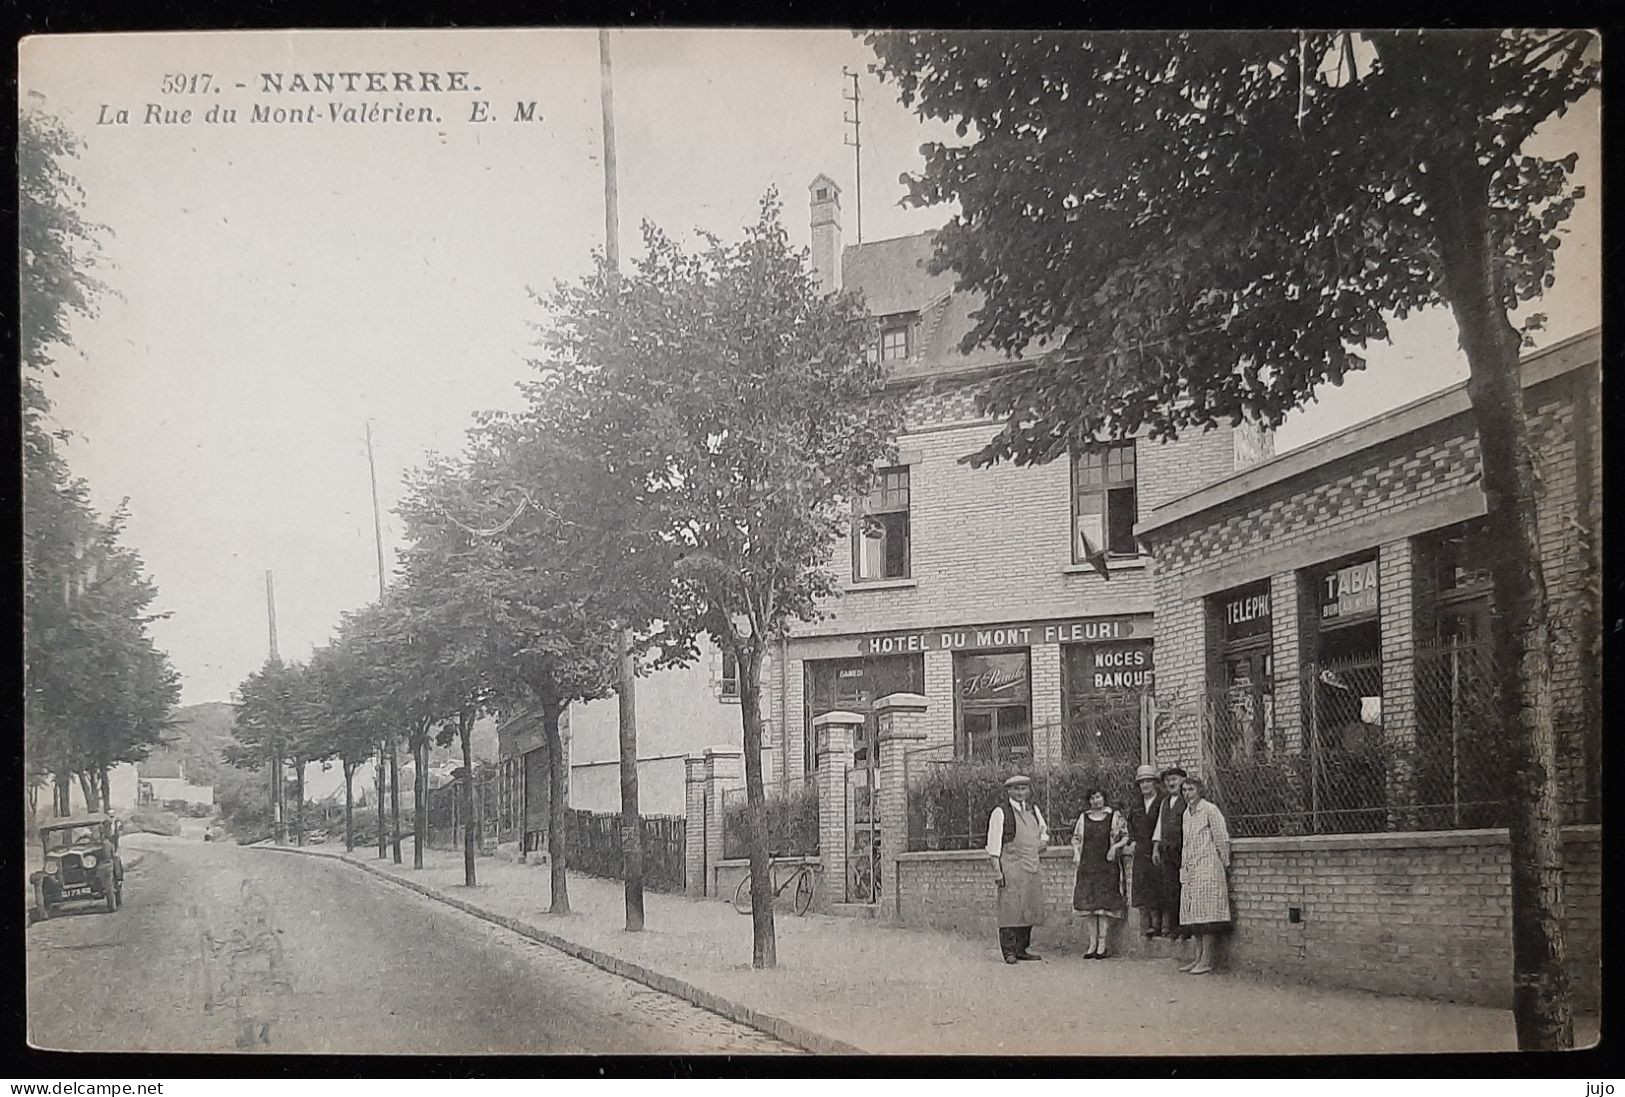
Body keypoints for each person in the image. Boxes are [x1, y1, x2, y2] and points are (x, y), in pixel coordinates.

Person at [985, 774, 1049, 964]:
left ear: (1028, 791)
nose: (1021, 793)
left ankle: (1022, 948)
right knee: (1010, 909)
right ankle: (1009, 951)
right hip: (1011, 867)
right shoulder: (1001, 812)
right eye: (1016, 789)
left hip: (1031, 866)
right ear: (1009, 791)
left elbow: (1044, 833)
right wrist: (997, 871)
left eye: (1024, 789)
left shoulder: (1034, 810)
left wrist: (1040, 844)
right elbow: (994, 844)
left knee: (1029, 907)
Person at [1176, 775, 1233, 975]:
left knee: (1207, 914)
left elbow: (1221, 837)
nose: (1187, 794)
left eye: (1191, 790)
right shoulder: (1186, 814)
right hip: (1192, 868)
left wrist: (1225, 863)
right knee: (1194, 914)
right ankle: (1197, 957)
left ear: (1199, 791)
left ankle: (1208, 960)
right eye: (1184, 791)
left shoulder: (1210, 810)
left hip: (1209, 867)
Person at [1070, 788, 1129, 958]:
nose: (1096, 801)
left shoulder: (1114, 816)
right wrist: (1076, 853)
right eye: (1092, 798)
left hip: (1106, 865)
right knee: (1089, 907)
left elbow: (1125, 836)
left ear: (1104, 798)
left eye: (1098, 797)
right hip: (1088, 865)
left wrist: (1114, 847)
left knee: (1103, 906)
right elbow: (1076, 839)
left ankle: (1103, 945)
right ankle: (1092, 944)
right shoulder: (1084, 817)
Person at [1125, 764, 1166, 938]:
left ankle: (1163, 924)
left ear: (1155, 783)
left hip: (1159, 849)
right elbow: (1131, 825)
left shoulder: (1162, 801)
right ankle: (1150, 923)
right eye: (1142, 783)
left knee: (1161, 885)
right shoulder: (1136, 805)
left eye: (1148, 781)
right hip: (1142, 849)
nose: (1145, 786)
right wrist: (1133, 840)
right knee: (1144, 887)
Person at [1151, 765, 1188, 955]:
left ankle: (1185, 928)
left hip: (1183, 851)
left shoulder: (1188, 800)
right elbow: (1159, 827)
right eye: (1168, 780)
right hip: (1167, 852)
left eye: (1175, 779)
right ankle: (1174, 927)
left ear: (1183, 780)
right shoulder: (1165, 802)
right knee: (1170, 889)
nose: (1171, 782)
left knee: (1185, 889)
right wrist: (1156, 848)